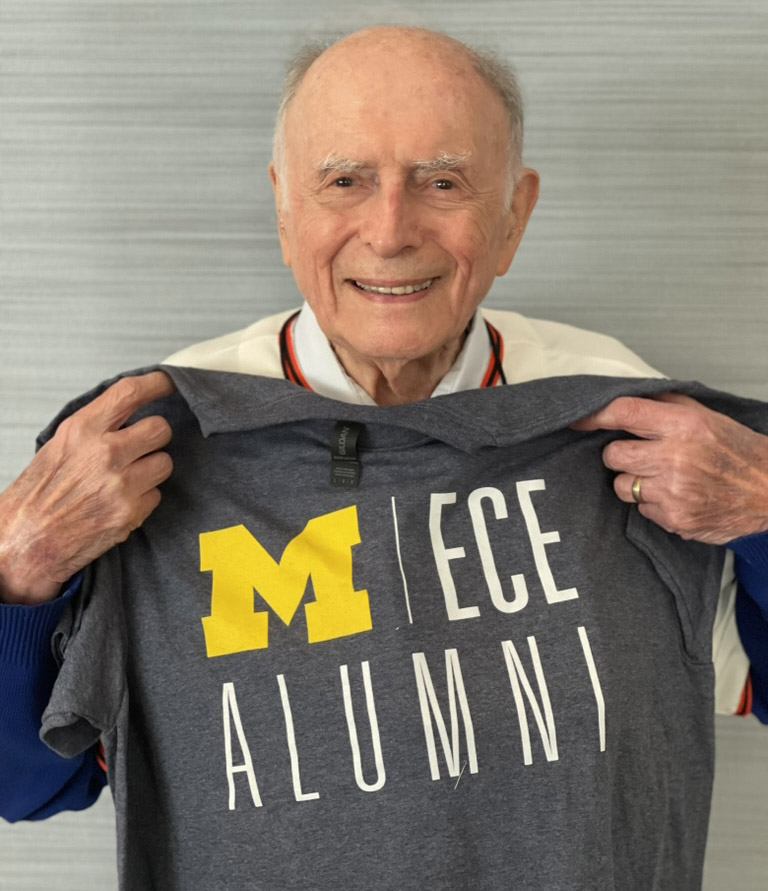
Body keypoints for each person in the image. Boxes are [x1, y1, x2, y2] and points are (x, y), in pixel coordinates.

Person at [1, 24, 767, 889]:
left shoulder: (627, 415)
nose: (391, 229)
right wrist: (16, 569)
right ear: (284, 208)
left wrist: (767, 511)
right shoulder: (143, 448)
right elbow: (26, 785)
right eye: (345, 181)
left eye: (442, 182)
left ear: (515, 216)